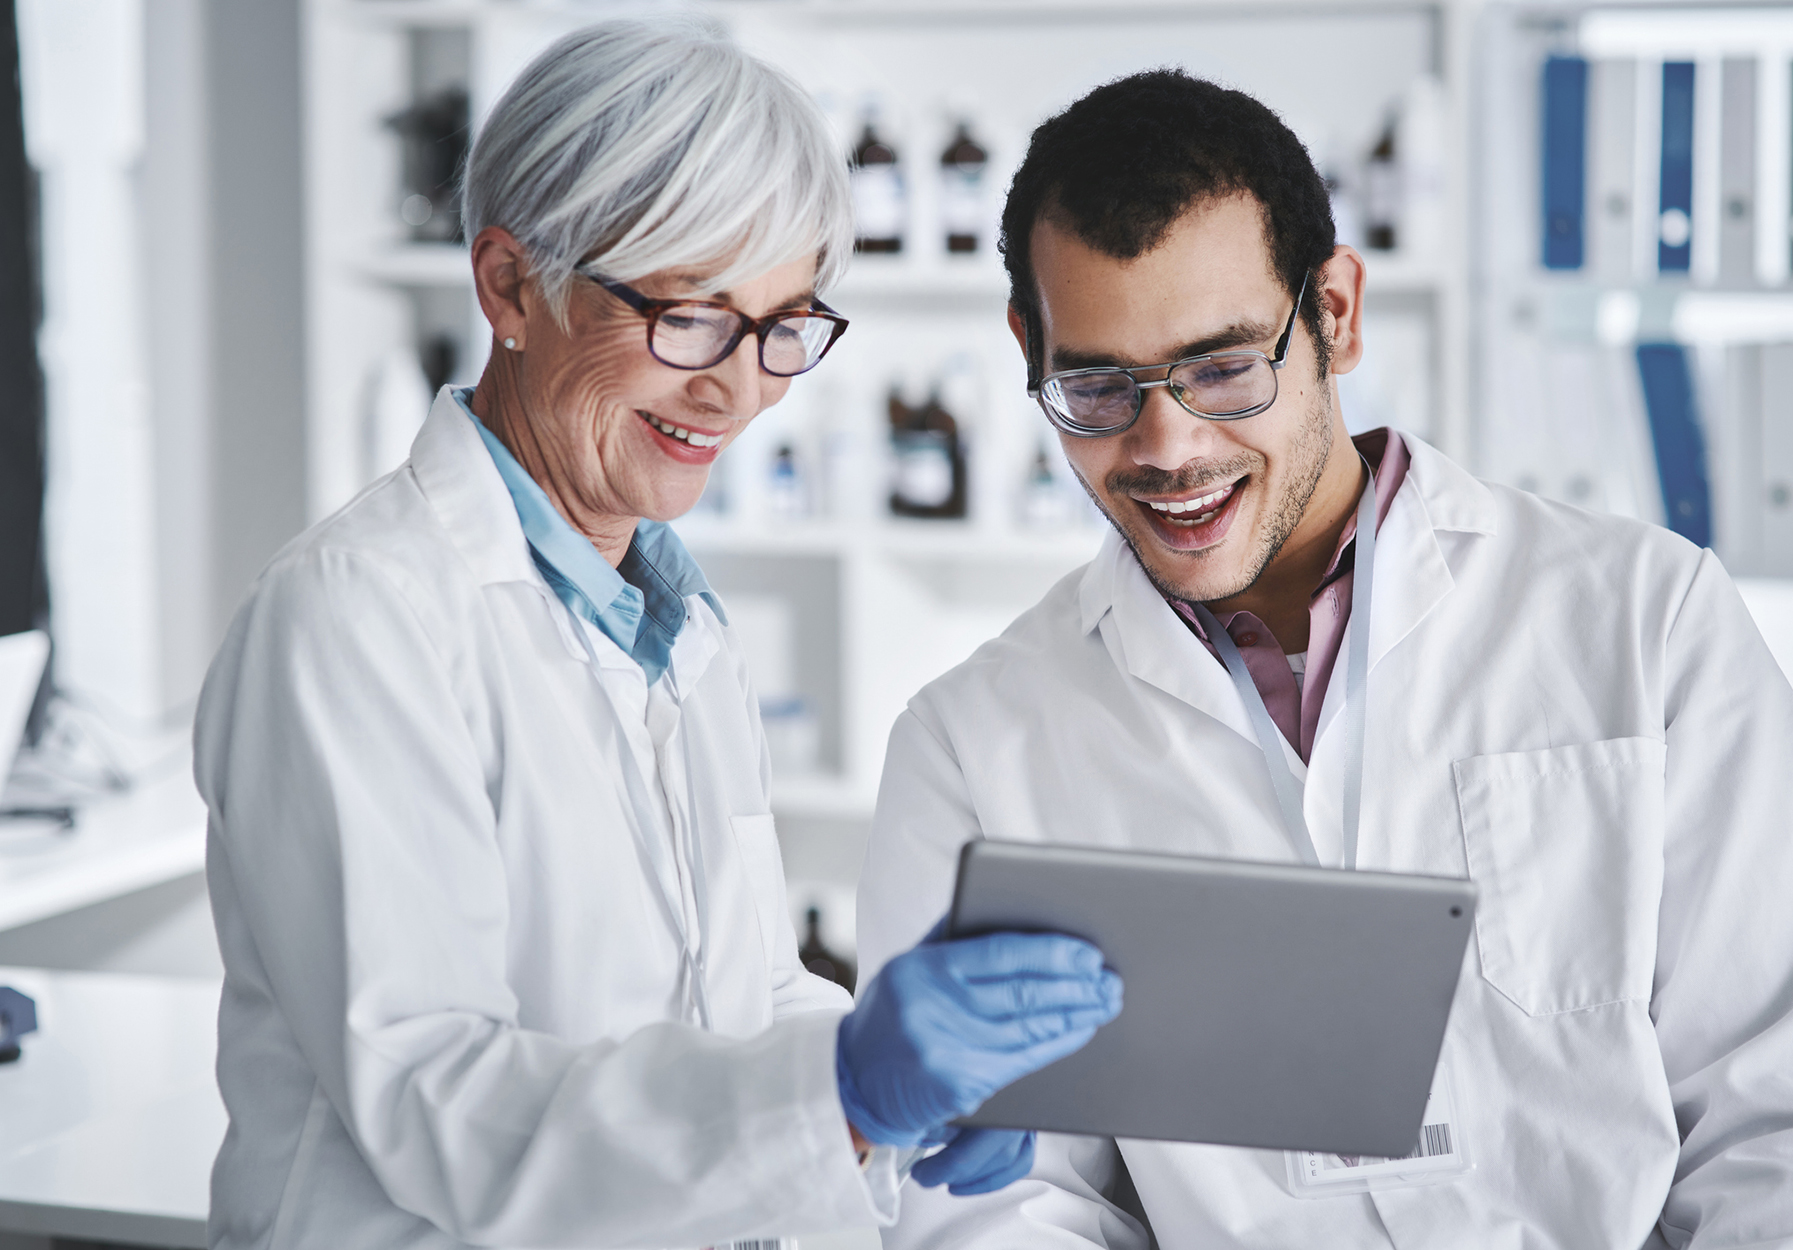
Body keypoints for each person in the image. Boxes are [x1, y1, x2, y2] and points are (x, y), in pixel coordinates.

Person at [194, 22, 1121, 1250]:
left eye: (785, 323)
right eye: (691, 316)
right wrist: (835, 1096)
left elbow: (734, 997)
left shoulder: (676, 626)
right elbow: (440, 1098)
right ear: (510, 286)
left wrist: (889, 1088)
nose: (737, 387)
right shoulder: (354, 619)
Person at [857, 68, 1793, 1247]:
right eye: (1099, 384)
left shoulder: (1649, 623)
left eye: (1222, 365)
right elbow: (992, 1203)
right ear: (1027, 349)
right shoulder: (974, 741)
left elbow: (1776, 1115)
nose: (1169, 445)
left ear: (1337, 314)